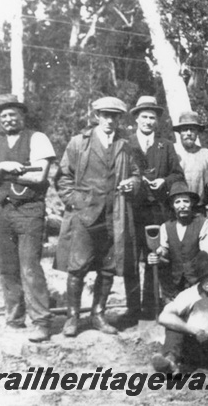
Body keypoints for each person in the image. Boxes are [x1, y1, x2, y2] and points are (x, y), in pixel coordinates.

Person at [55, 96, 141, 337]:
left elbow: (137, 174)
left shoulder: (126, 144)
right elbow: (63, 178)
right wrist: (76, 202)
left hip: (115, 215)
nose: (110, 120)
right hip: (85, 216)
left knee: (108, 267)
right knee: (78, 266)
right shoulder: (78, 143)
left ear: (119, 119)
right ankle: (72, 317)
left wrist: (132, 183)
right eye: (105, 115)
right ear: (96, 116)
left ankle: (98, 314)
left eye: (114, 116)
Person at [0, 94, 55, 342]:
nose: (8, 119)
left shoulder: (38, 139)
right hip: (0, 209)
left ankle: (42, 321)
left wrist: (2, 173)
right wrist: (4, 167)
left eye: (13, 114)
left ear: (22, 115)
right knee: (6, 265)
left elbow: (39, 177)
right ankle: (14, 318)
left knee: (30, 265)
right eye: (3, 116)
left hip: (29, 209)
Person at [125, 96, 184, 322]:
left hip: (158, 209)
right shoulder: (126, 143)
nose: (148, 121)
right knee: (131, 258)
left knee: (154, 256)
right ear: (137, 119)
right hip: (133, 209)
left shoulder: (166, 145)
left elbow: (177, 174)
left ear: (157, 121)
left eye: (152, 118)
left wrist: (164, 182)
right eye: (144, 117)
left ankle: (151, 309)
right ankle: (132, 311)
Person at [148, 182, 208, 302]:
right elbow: (164, 251)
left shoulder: (204, 223)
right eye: (177, 202)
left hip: (198, 281)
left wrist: (192, 272)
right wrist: (158, 253)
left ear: (192, 204)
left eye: (186, 201)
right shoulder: (166, 227)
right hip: (174, 283)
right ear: (172, 205)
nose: (182, 206)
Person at [173, 111, 208, 212]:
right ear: (179, 132)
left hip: (199, 208)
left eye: (192, 130)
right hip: (176, 209)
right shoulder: (172, 151)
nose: (188, 133)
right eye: (184, 130)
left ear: (198, 132)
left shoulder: (206, 154)